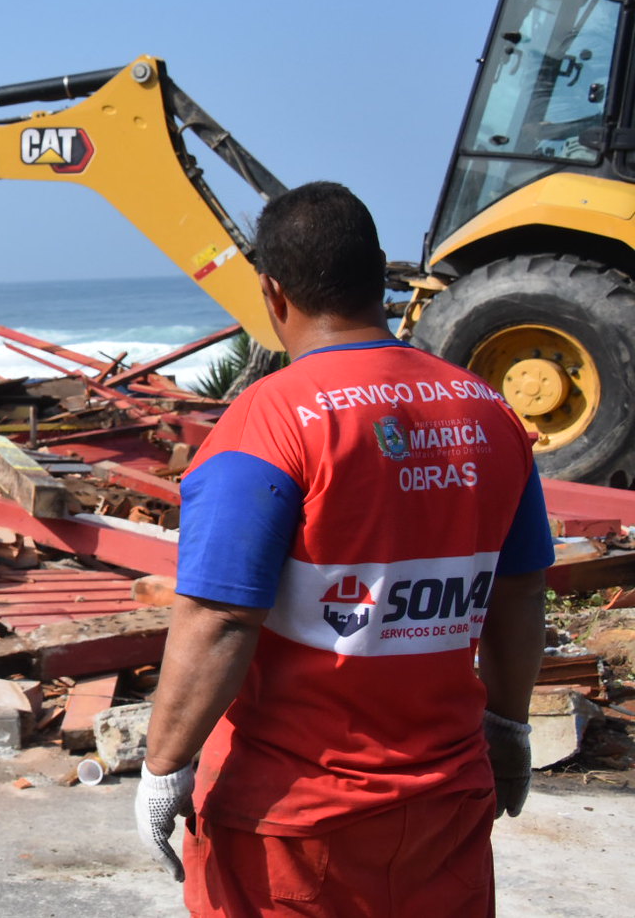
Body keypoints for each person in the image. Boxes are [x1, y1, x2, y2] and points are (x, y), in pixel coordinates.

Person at [133, 181, 551, 916]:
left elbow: (221, 617)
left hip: (293, 825)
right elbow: (520, 589)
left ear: (272, 290)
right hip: (445, 807)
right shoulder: (488, 411)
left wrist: (164, 767)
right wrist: (509, 726)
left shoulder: (267, 424)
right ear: (380, 274)